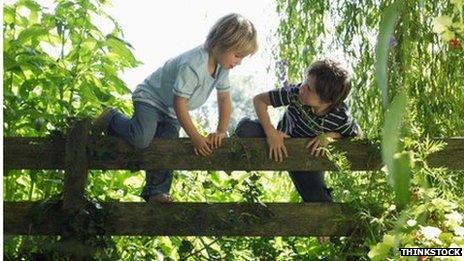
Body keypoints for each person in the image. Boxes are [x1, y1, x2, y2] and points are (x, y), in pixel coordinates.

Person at [94, 13, 258, 203]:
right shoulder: (194, 64)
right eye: (237, 55)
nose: (239, 62)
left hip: (170, 111)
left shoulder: (222, 68)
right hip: (151, 99)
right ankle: (111, 118)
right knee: (141, 138)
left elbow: (224, 99)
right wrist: (195, 137)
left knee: (168, 146)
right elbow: (180, 102)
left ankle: (155, 191)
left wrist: (221, 130)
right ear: (220, 44)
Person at [235, 59, 361, 205]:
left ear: (326, 101)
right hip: (278, 141)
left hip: (305, 156)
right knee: (246, 127)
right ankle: (228, 163)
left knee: (319, 202)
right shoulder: (295, 93)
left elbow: (357, 135)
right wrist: (271, 133)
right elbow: (259, 100)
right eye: (305, 82)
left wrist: (329, 137)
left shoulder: (340, 117)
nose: (302, 87)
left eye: (309, 89)